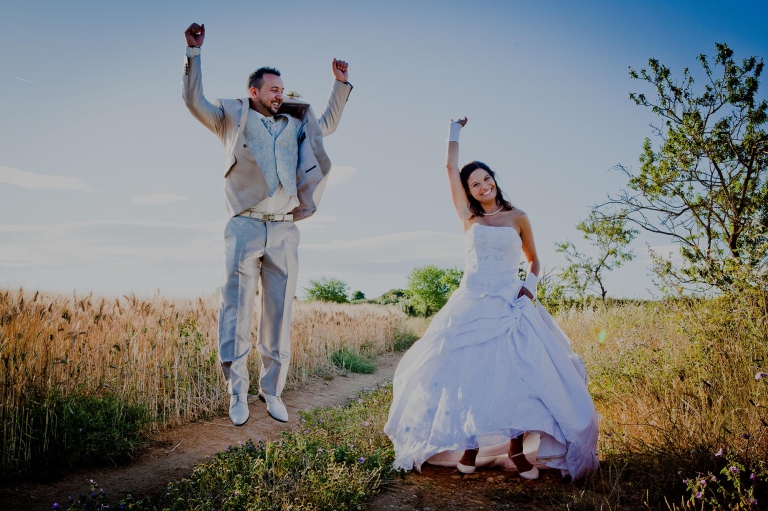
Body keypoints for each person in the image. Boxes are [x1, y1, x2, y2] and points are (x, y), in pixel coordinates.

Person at [384, 118, 599, 480]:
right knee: (468, 374)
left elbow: (534, 260)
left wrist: (527, 289)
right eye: (475, 184)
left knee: (515, 374)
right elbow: (450, 166)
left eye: (487, 179)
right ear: (468, 191)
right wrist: (454, 130)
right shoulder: (468, 218)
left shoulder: (518, 217)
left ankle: (517, 451)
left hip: (510, 302)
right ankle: (469, 449)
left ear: (494, 180)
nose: (483, 186)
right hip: (471, 302)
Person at [181, 23, 353, 426]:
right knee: (236, 312)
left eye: (282, 88)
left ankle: (271, 391)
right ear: (254, 91)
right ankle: (236, 392)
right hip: (243, 224)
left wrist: (340, 85)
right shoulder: (231, 117)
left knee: (279, 316)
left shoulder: (296, 122)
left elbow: (327, 122)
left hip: (284, 229)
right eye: (273, 89)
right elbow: (193, 100)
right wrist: (193, 55)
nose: (281, 94)